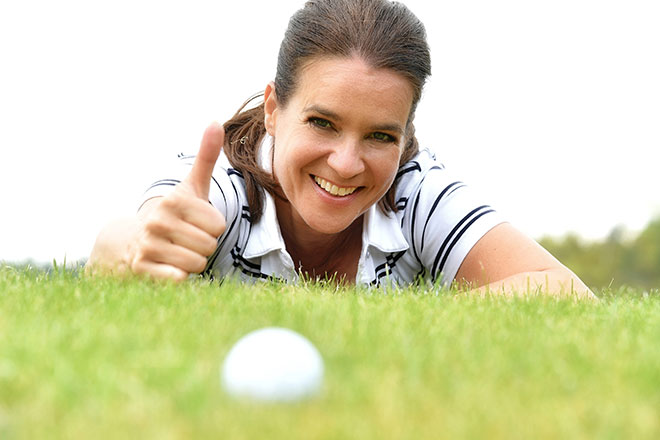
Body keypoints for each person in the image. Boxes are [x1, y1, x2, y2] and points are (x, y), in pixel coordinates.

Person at [87, 0, 594, 299]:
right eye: (322, 122)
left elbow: (565, 292)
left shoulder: (416, 190)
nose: (347, 164)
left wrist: (404, 322)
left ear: (406, 133)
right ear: (273, 110)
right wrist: (139, 250)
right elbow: (123, 243)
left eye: (380, 136)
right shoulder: (220, 187)